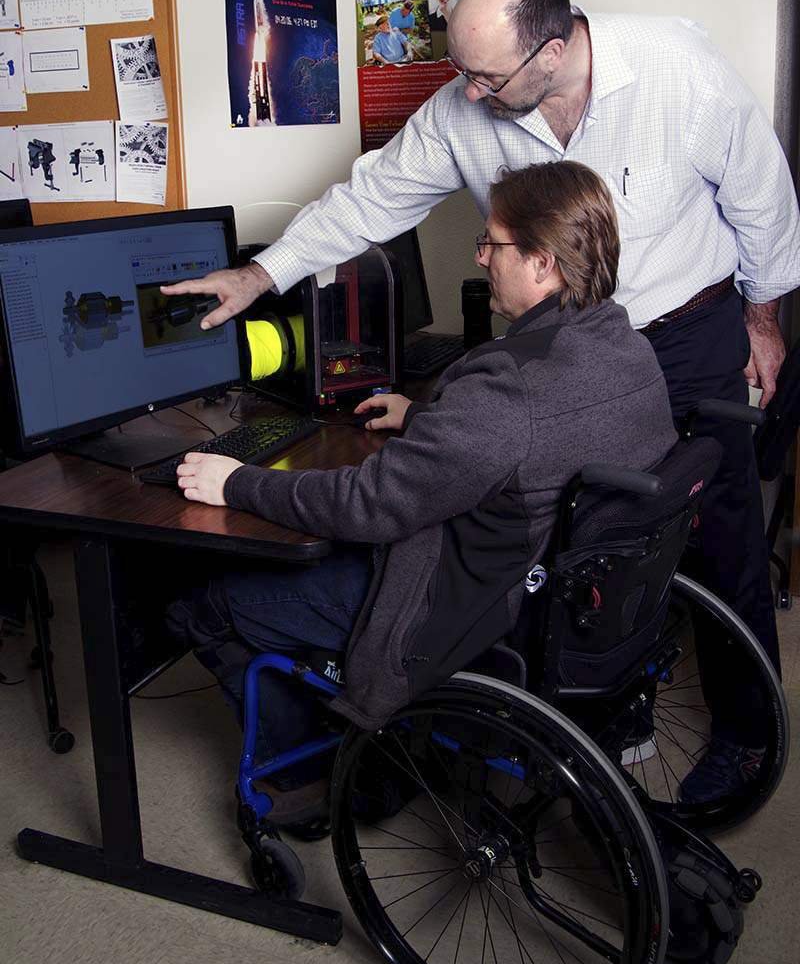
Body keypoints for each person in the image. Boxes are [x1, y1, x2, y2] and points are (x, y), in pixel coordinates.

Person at [165, 0, 800, 800]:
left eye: (485, 76)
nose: (466, 94)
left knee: (712, 529)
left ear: (554, 47)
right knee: (575, 533)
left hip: (683, 329)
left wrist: (764, 323)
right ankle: (603, 699)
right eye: (459, 72)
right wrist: (262, 275)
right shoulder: (464, 110)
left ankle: (747, 734)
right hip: (567, 347)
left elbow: (762, 198)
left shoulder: (680, 71)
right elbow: (372, 200)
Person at [167, 162, 677, 821]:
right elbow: (530, 440)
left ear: (544, 263)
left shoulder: (505, 388)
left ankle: (313, 782)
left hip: (457, 607)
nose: (480, 256)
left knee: (209, 603)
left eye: (492, 243)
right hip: (560, 596)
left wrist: (237, 483)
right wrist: (425, 417)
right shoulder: (624, 344)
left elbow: (366, 505)